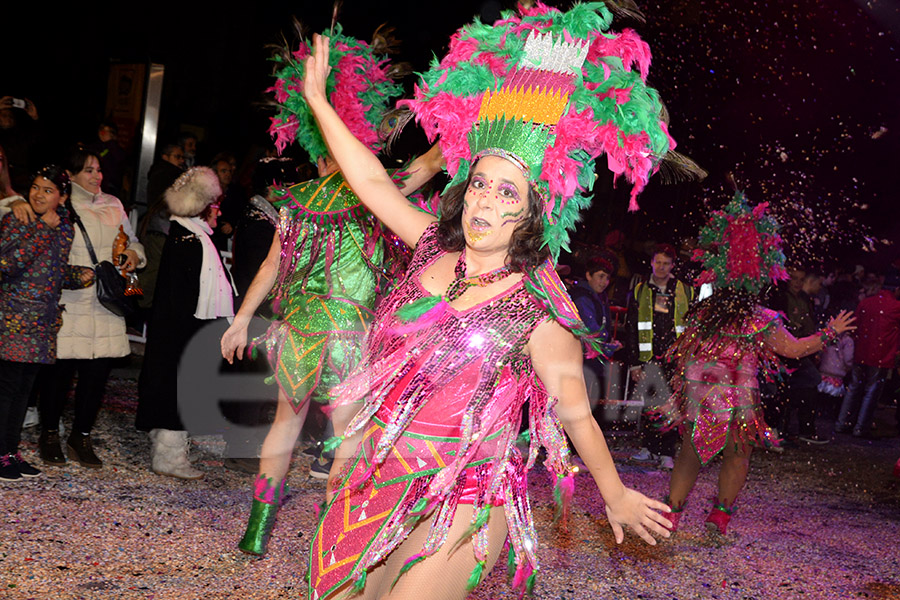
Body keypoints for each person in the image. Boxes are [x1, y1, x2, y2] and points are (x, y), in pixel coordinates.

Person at [291, 5, 677, 595]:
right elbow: (370, 182)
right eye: (478, 184)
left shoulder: (539, 309)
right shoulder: (426, 248)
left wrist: (615, 491)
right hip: (376, 475)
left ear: (532, 211)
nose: (486, 203)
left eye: (506, 192)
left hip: (467, 493)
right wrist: (320, 107)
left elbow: (573, 408)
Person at [220, 23, 443, 557]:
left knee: (284, 424)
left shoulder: (296, 200)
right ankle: (332, 536)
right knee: (346, 434)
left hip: (296, 328)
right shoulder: (374, 193)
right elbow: (432, 163)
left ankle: (256, 531)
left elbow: (271, 266)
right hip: (348, 330)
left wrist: (239, 319)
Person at [657, 192, 856, 535]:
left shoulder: (703, 314)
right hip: (738, 402)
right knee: (737, 454)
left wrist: (682, 389)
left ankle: (673, 513)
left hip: (703, 395)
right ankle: (719, 516)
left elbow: (685, 354)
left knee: (690, 452)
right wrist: (830, 333)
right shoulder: (760, 318)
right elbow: (794, 350)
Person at [10, 148, 146, 468]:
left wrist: (134, 255)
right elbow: (43, 247)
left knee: (96, 376)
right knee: (59, 375)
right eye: (88, 170)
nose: (96, 176)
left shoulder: (114, 204)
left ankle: (81, 436)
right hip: (70, 300)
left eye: (98, 169)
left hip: (106, 301)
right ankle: (49, 435)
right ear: (70, 176)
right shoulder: (63, 204)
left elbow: (133, 240)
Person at [136, 167, 230, 479]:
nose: (218, 211)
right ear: (202, 207)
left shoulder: (188, 234)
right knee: (178, 389)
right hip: (181, 333)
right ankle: (170, 457)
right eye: (214, 205)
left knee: (171, 386)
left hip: (176, 330)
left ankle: (166, 445)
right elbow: (188, 296)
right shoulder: (190, 241)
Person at [0, 166, 93, 481]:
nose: (38, 194)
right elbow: (7, 265)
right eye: (36, 187)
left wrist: (78, 274)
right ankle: (1, 454)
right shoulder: (18, 219)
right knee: (8, 388)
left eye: (48, 190)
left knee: (26, 392)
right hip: (14, 318)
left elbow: (46, 270)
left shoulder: (65, 227)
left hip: (42, 321)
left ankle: (10, 452)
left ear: (63, 197)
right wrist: (40, 228)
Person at [626, 243, 695, 470]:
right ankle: (649, 447)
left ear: (673, 265)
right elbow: (631, 329)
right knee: (649, 403)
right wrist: (634, 363)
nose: (662, 267)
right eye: (658, 262)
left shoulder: (685, 291)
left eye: (666, 263)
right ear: (652, 263)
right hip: (649, 357)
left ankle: (666, 452)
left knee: (672, 404)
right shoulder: (640, 290)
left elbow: (693, 327)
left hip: (676, 358)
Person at [834, 274, 900, 438]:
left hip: (861, 353)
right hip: (881, 356)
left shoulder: (866, 302)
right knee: (872, 391)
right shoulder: (896, 307)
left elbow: (855, 325)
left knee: (854, 388)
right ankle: (860, 427)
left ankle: (842, 423)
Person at [570, 256, 621, 402]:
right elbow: (591, 333)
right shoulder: (582, 298)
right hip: (581, 361)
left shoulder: (597, 296)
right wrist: (609, 347)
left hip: (588, 360)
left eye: (607, 278)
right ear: (588, 275)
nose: (604, 282)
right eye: (600, 276)